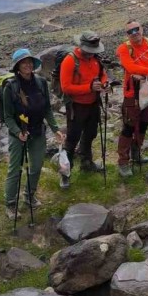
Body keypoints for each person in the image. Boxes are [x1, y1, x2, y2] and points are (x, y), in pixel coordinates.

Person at [2, 48, 64, 219]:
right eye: (23, 62)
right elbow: (7, 117)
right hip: (18, 135)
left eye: (29, 61)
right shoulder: (10, 87)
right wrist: (17, 132)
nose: (27, 64)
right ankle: (10, 203)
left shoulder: (41, 82)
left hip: (38, 131)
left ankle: (29, 196)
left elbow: (47, 109)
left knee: (36, 167)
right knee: (15, 169)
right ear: (17, 66)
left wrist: (55, 128)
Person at [59, 30, 110, 183]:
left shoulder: (95, 59)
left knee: (90, 134)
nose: (91, 53)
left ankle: (86, 163)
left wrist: (105, 84)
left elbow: (102, 74)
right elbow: (66, 87)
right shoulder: (70, 61)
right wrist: (89, 88)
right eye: (89, 51)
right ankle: (65, 174)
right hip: (76, 107)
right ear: (81, 46)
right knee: (72, 139)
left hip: (93, 104)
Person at [115, 20, 148, 178]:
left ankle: (137, 154)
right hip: (132, 95)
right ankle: (123, 161)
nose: (134, 33)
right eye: (130, 31)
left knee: (143, 124)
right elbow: (130, 67)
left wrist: (144, 73)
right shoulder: (124, 48)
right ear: (127, 34)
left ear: (142, 29)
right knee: (129, 127)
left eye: (136, 29)